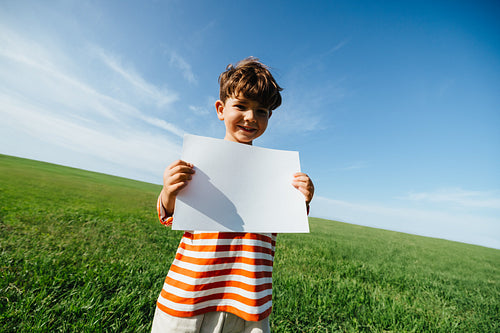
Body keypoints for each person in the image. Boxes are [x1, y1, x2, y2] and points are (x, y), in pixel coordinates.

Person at [151, 57, 314, 333]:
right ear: (220, 109)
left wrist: (303, 197)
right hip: (190, 294)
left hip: (249, 302)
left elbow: (286, 217)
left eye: (261, 111)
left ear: (269, 117)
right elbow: (168, 214)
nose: (251, 117)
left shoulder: (278, 175)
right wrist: (169, 191)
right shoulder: (199, 164)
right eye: (240, 106)